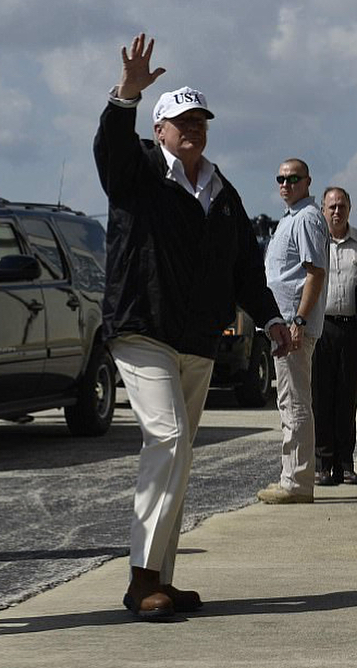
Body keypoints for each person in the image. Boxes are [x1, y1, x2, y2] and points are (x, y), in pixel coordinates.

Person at [93, 34, 290, 621]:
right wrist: (125, 95)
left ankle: (162, 577)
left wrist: (271, 317)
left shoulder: (222, 193)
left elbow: (245, 267)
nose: (194, 129)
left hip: (197, 339)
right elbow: (109, 148)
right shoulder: (138, 171)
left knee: (179, 456)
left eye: (200, 121)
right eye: (182, 121)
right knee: (169, 438)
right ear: (160, 130)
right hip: (142, 328)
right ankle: (141, 580)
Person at [257, 159, 328, 504]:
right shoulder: (291, 218)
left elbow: (315, 273)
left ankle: (298, 482)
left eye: (293, 178)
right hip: (282, 325)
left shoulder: (307, 218)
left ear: (307, 181)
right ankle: (291, 476)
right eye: (281, 178)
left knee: (295, 401)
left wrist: (298, 321)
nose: (285, 184)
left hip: (292, 326)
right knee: (287, 400)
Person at [311, 187, 357, 485]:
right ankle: (323, 464)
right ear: (323, 210)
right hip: (321, 327)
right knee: (321, 396)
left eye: (341, 206)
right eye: (332, 207)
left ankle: (345, 463)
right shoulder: (315, 243)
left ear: (349, 209)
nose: (337, 211)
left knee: (347, 397)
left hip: (351, 328)